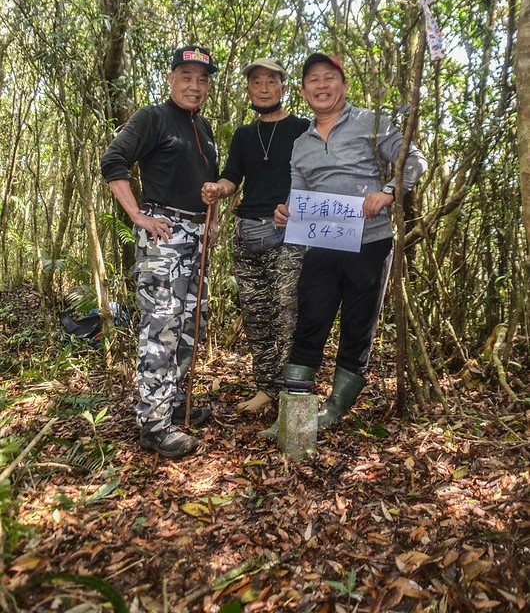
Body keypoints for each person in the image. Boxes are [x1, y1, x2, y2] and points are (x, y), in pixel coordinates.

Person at [262, 52, 427, 436]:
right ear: (303, 92)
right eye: (313, 80)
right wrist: (287, 212)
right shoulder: (301, 143)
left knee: (357, 327)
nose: (321, 85)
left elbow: (413, 160)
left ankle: (333, 411)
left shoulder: (372, 122)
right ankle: (294, 418)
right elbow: (297, 191)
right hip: (320, 245)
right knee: (309, 324)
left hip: (369, 244)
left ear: (344, 84)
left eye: (329, 77)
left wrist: (388, 192)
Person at [101, 45, 219, 459]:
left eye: (202, 79)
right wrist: (138, 216)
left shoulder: (202, 128)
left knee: (189, 324)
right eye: (186, 76)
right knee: (161, 327)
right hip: (163, 233)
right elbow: (113, 160)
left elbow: (207, 184)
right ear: (171, 79)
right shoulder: (153, 117)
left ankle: (174, 403)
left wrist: (213, 219)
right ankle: (153, 423)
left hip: (196, 234)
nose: (194, 85)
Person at [201, 58, 309, 413]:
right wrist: (218, 188)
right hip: (247, 232)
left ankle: (292, 393)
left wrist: (295, 205)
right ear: (248, 90)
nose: (263, 88)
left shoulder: (303, 130)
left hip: (289, 232)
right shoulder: (244, 135)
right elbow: (233, 177)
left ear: (283, 88)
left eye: (271, 81)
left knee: (286, 314)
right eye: (256, 82)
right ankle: (266, 388)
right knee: (256, 315)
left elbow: (317, 178)